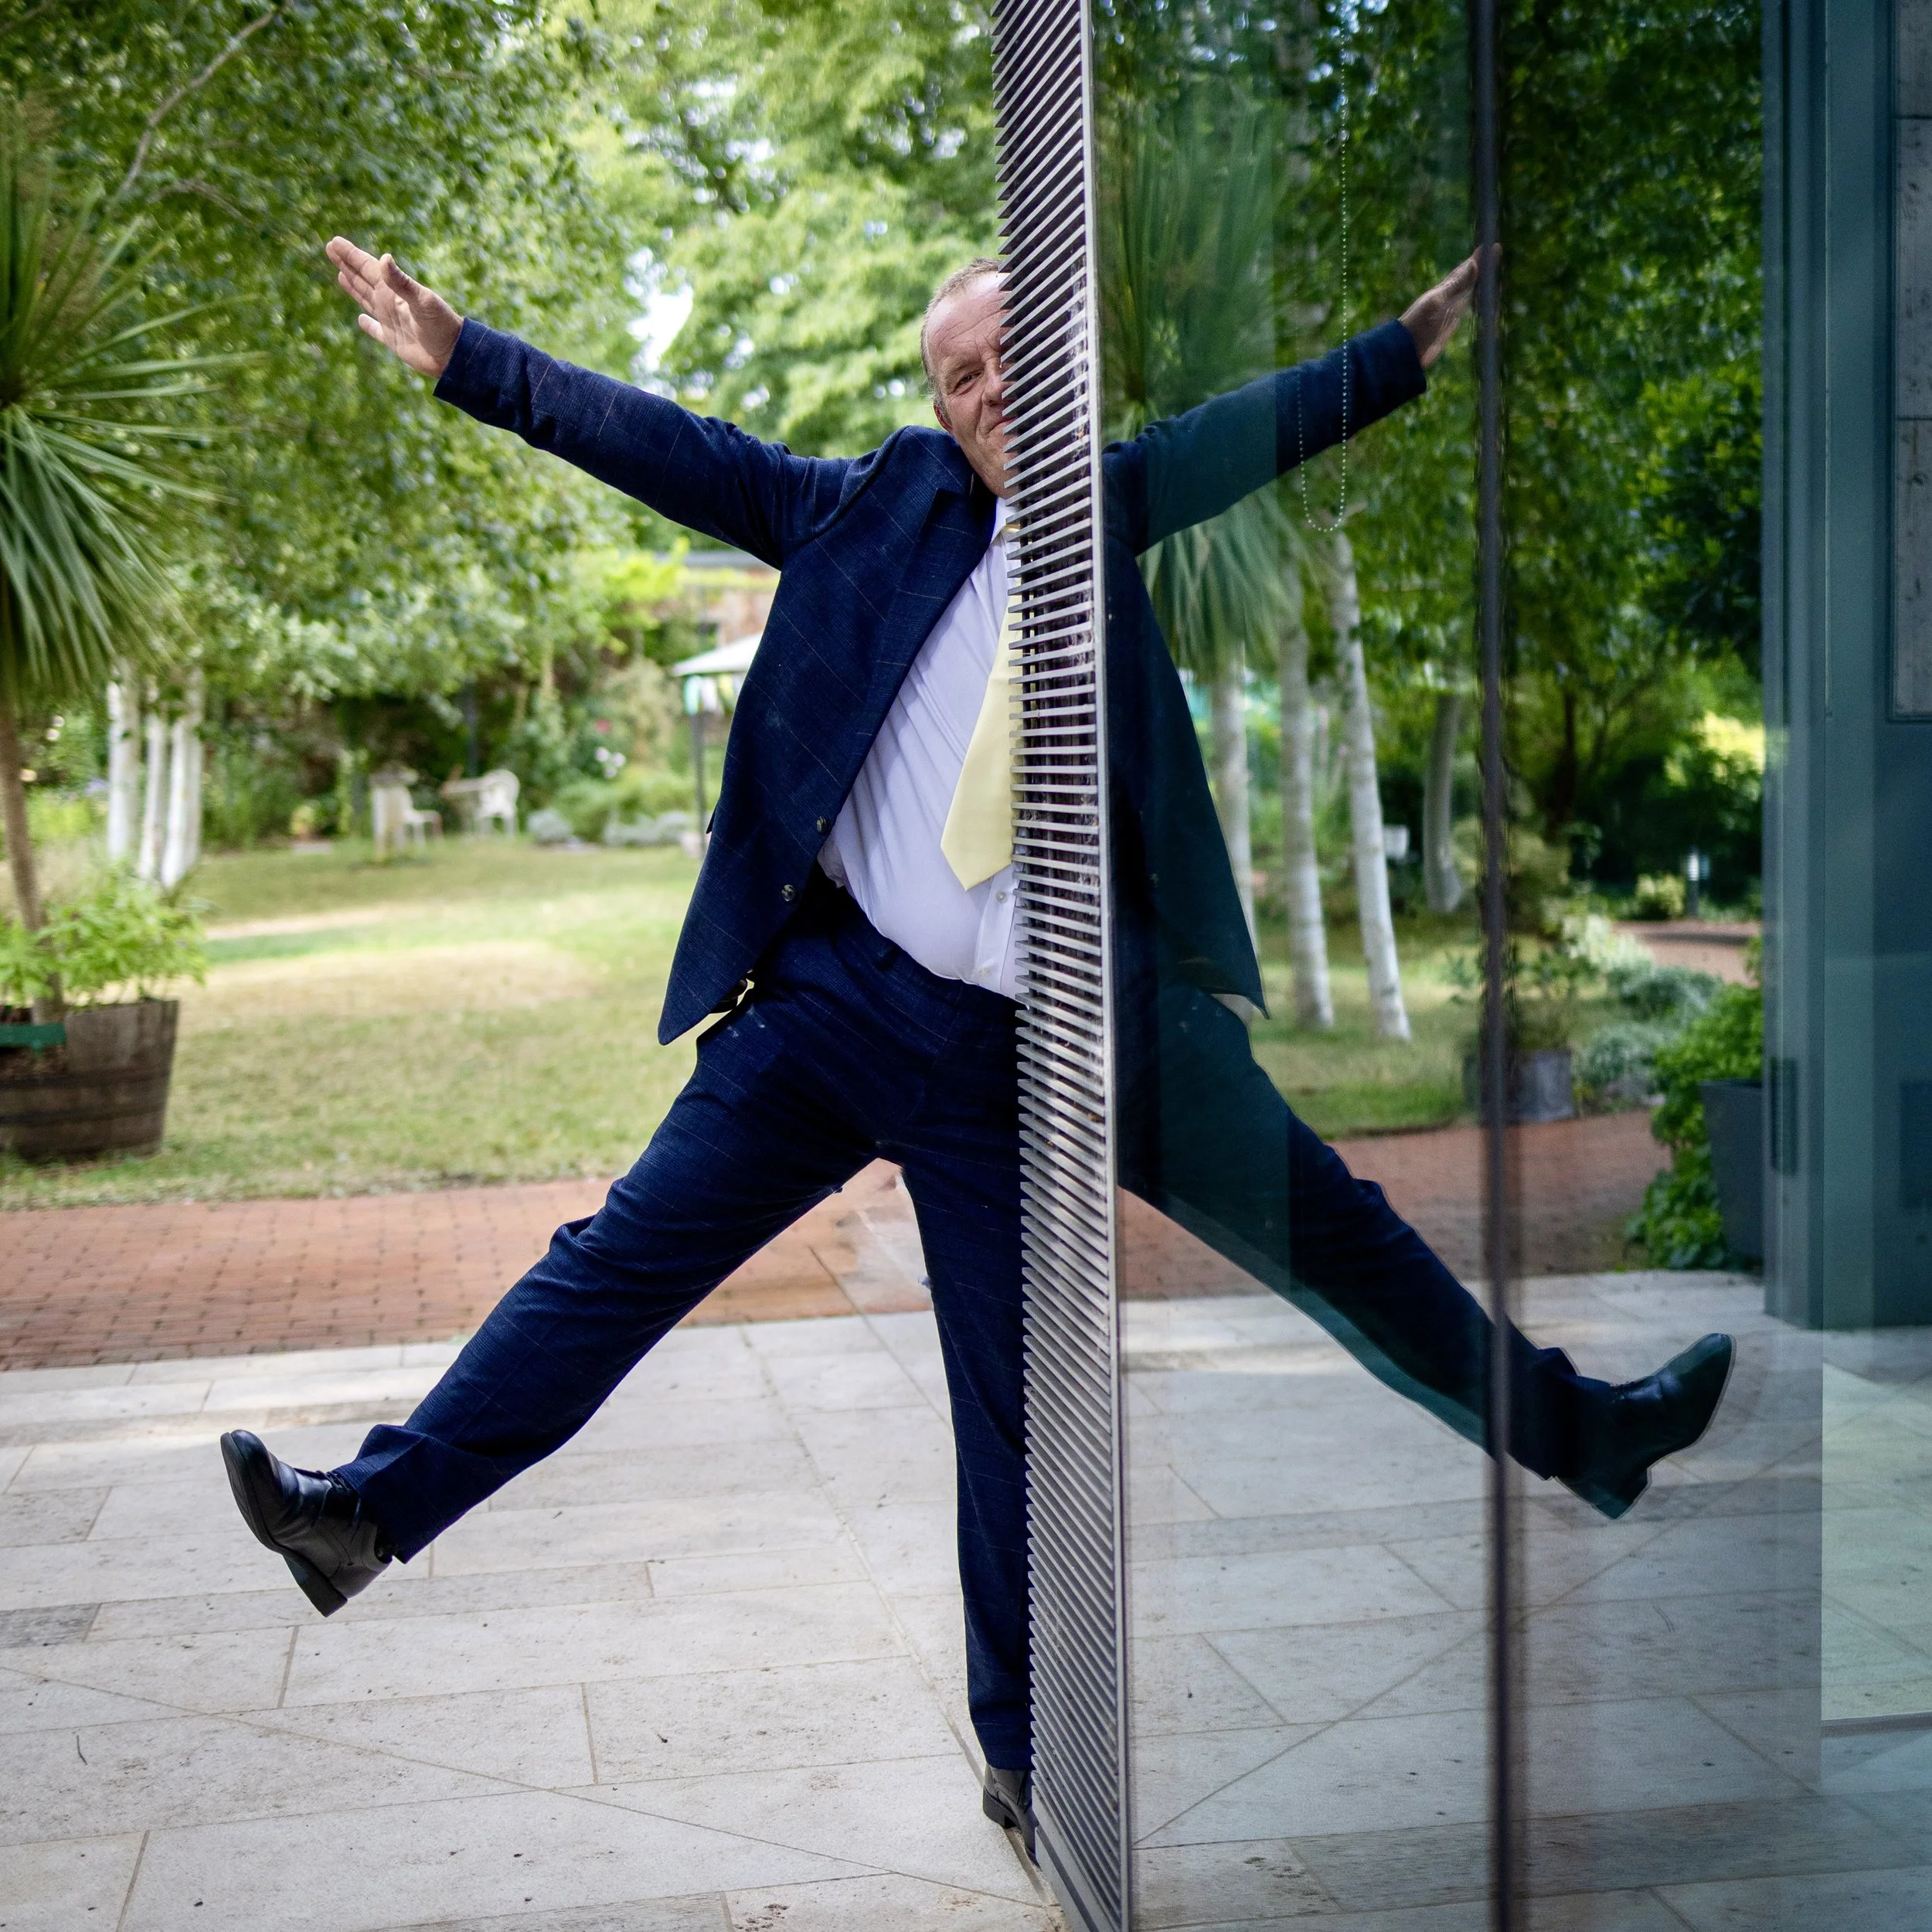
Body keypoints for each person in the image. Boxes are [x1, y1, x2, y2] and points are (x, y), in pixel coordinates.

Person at [221, 239, 1733, 1855]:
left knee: (1268, 1276)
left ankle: (1566, 1446)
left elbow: (1257, 426)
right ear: (939, 406)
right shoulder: (863, 507)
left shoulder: (1110, 501)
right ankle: (365, 1514)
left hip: (1075, 1035)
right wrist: (469, 360)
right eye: (961, 375)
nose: (991, 389)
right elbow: (664, 444)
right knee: (611, 1262)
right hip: (845, 1008)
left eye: (1014, 358)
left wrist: (1401, 352)